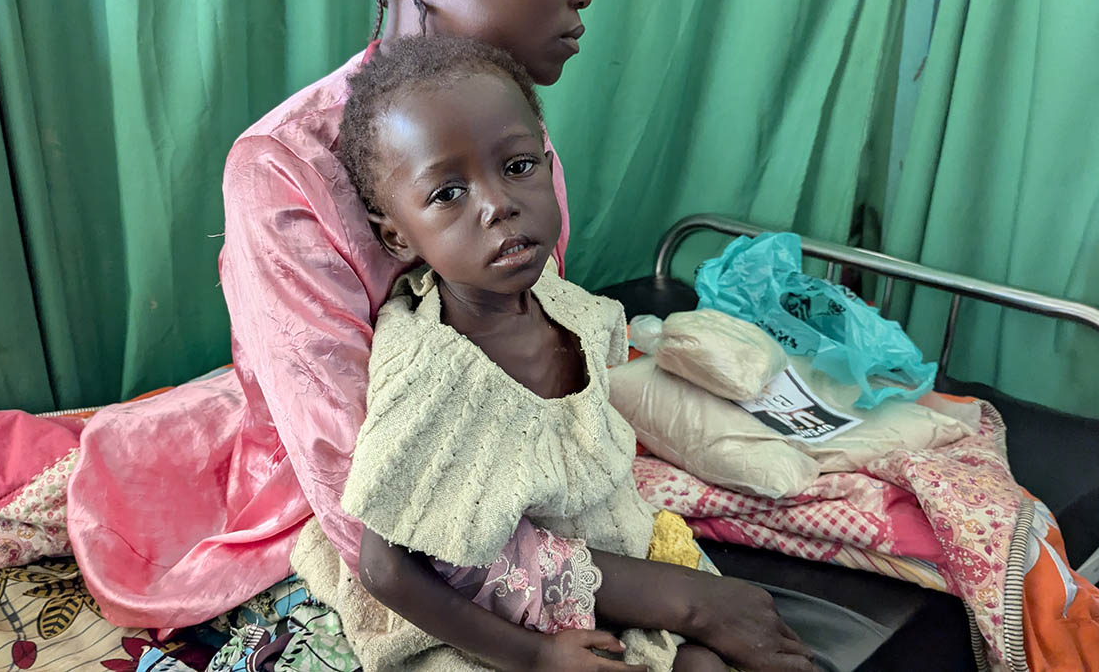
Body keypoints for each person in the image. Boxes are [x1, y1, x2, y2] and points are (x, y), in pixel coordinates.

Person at [331, 34, 817, 672]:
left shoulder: (554, 297)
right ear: (397, 235)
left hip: (598, 560)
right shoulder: (435, 375)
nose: (499, 205)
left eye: (518, 166)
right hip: (486, 623)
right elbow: (385, 567)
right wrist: (536, 656)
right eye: (447, 194)